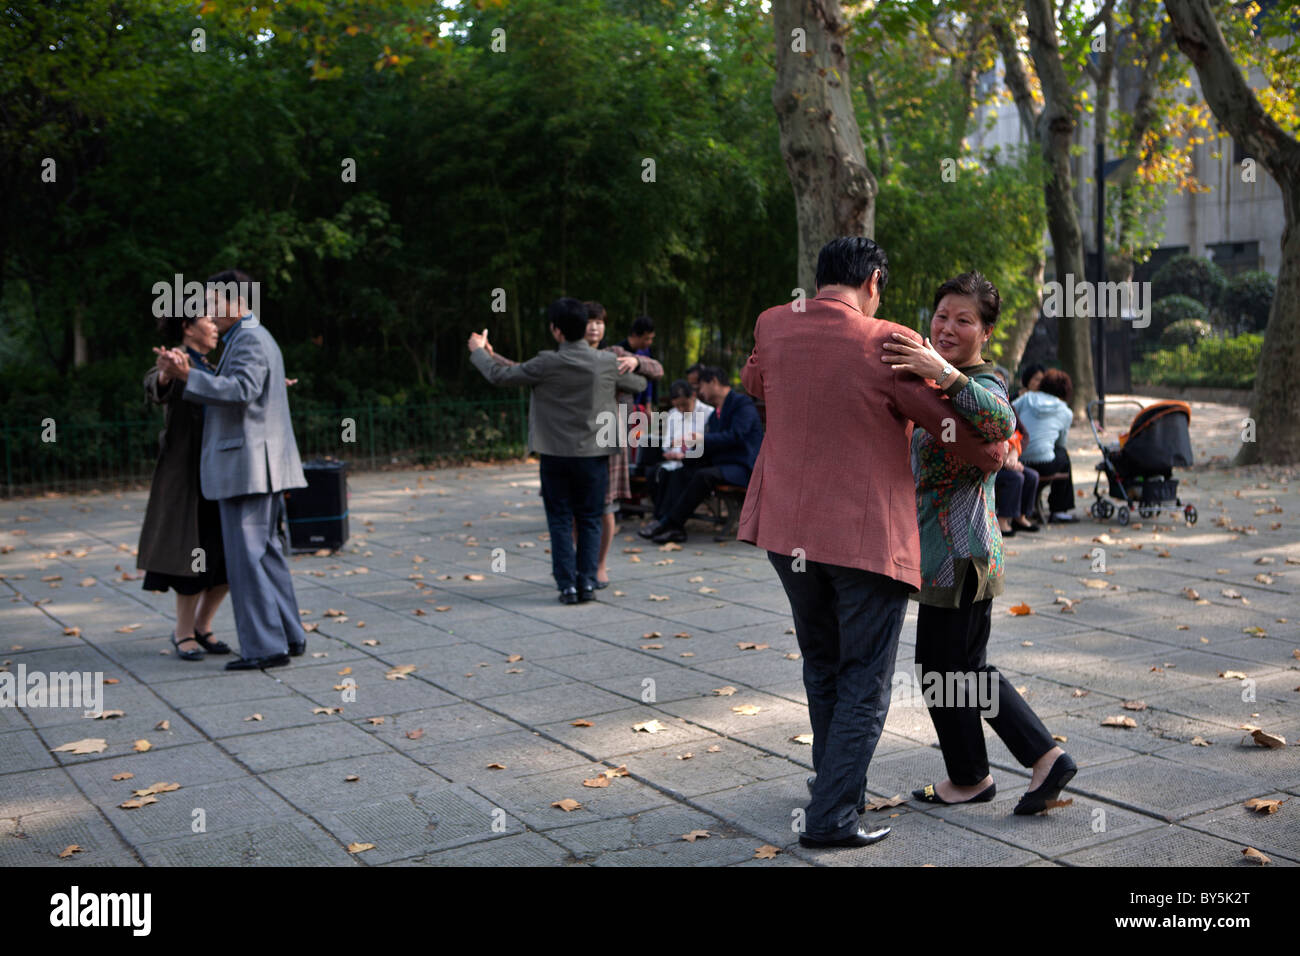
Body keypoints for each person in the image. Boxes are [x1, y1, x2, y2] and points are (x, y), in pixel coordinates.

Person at [737, 237, 1007, 849]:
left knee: (822, 665)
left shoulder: (775, 324)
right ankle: (833, 816)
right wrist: (991, 452)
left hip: (787, 532)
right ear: (874, 281)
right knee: (863, 676)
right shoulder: (883, 340)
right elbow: (948, 422)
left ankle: (834, 790)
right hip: (864, 540)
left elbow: (756, 379)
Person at [884, 271, 1076, 815]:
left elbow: (1001, 419)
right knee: (951, 667)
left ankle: (1040, 756)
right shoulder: (940, 380)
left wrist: (940, 371)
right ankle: (972, 776)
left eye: (963, 320)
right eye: (942, 316)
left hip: (964, 551)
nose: (947, 327)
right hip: (944, 554)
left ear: (985, 331)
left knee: (956, 669)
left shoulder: (984, 382)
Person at [154, 270, 309, 671]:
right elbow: (251, 389)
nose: (207, 310)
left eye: (211, 302)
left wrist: (189, 375)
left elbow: (241, 391)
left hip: (248, 468)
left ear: (235, 302)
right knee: (268, 556)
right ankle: (289, 636)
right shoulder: (252, 336)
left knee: (249, 561)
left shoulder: (249, 338)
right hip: (257, 467)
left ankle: (264, 649)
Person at [468, 299, 646, 603]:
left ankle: (567, 586)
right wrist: (636, 363)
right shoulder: (605, 362)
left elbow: (501, 376)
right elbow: (639, 383)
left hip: (555, 456)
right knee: (590, 519)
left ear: (556, 331)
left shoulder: (545, 363)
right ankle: (587, 582)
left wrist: (478, 353)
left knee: (561, 520)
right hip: (594, 456)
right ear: (582, 328)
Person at [138, 312, 230, 661]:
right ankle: (183, 632)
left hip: (224, 474)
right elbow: (157, 386)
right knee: (195, 554)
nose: (215, 327)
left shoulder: (212, 365)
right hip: (189, 480)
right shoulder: (178, 360)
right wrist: (165, 372)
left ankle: (204, 626)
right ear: (188, 328)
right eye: (208, 321)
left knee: (227, 558)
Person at [637, 367, 760, 545]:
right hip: (723, 465)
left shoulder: (742, 404)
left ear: (714, 382)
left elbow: (737, 435)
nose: (700, 392)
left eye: (701, 386)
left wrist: (701, 438)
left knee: (703, 475)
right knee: (682, 471)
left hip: (743, 467)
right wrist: (686, 456)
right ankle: (674, 528)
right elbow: (712, 447)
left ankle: (667, 523)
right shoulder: (716, 415)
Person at [1013, 368, 1077, 522]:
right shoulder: (1065, 411)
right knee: (1063, 455)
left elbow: (1009, 411)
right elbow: (1061, 443)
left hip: (1018, 457)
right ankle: (1059, 509)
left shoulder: (1027, 398)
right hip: (1045, 464)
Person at [648, 379, 712, 520]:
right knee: (653, 473)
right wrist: (672, 449)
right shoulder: (672, 414)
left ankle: (665, 519)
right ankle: (661, 517)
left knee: (674, 476)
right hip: (675, 460)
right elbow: (666, 443)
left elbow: (709, 442)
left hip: (696, 461)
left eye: (684, 404)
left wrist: (687, 452)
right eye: (677, 406)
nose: (681, 409)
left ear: (693, 396)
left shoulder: (708, 413)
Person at [990, 370, 1040, 536]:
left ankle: (1020, 517)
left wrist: (1014, 454)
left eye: (1001, 383)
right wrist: (1003, 458)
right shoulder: (982, 406)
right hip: (991, 462)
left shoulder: (1007, 406)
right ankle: (1003, 520)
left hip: (1010, 458)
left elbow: (1023, 434)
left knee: (1032, 476)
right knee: (1015, 478)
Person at [616, 315, 657, 408]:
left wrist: (649, 403)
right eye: (647, 339)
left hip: (643, 404)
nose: (650, 342)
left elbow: (652, 377)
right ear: (635, 335)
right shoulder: (619, 351)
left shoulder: (646, 351)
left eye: (651, 338)